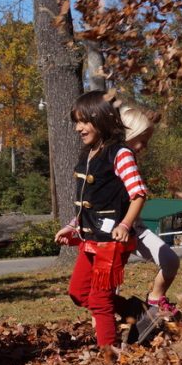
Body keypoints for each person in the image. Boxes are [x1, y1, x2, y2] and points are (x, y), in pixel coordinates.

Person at [54, 91, 148, 348]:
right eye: (76, 122)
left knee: (99, 300)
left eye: (84, 121)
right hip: (90, 238)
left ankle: (108, 355)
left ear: (102, 118)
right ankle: (138, 312)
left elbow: (138, 193)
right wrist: (73, 226)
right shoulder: (88, 154)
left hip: (111, 242)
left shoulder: (120, 154)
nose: (78, 128)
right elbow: (91, 200)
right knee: (78, 292)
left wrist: (125, 225)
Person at [119, 103, 181, 318]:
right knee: (111, 279)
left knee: (171, 260)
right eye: (142, 141)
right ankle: (110, 317)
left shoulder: (129, 161)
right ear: (129, 133)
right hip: (113, 231)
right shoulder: (109, 160)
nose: (144, 146)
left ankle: (155, 298)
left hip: (135, 229)